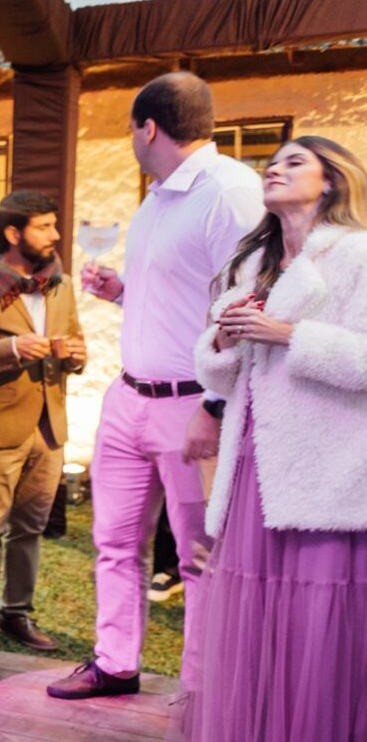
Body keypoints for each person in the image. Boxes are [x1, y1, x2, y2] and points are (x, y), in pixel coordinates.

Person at [170, 136, 367, 742]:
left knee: (316, 628)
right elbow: (223, 370)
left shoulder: (357, 254)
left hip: (327, 467)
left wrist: (287, 333)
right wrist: (222, 342)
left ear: (330, 181)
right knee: (255, 619)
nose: (273, 169)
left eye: (293, 162)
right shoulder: (252, 261)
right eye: (272, 161)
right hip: (256, 461)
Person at [53, 73, 266, 699]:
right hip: (127, 400)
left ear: (149, 128)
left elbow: (247, 305)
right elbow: (182, 297)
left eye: (130, 129)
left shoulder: (231, 193)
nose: (131, 140)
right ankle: (115, 662)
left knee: (200, 556)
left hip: (189, 404)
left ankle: (203, 691)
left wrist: (216, 403)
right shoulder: (155, 199)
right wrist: (124, 292)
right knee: (113, 543)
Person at [0, 191, 85, 654]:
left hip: (49, 427)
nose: (56, 235)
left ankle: (17, 611)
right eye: (44, 227)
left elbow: (76, 338)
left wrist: (78, 355)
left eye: (54, 225)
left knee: (31, 526)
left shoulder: (62, 285)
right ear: (14, 234)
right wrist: (10, 350)